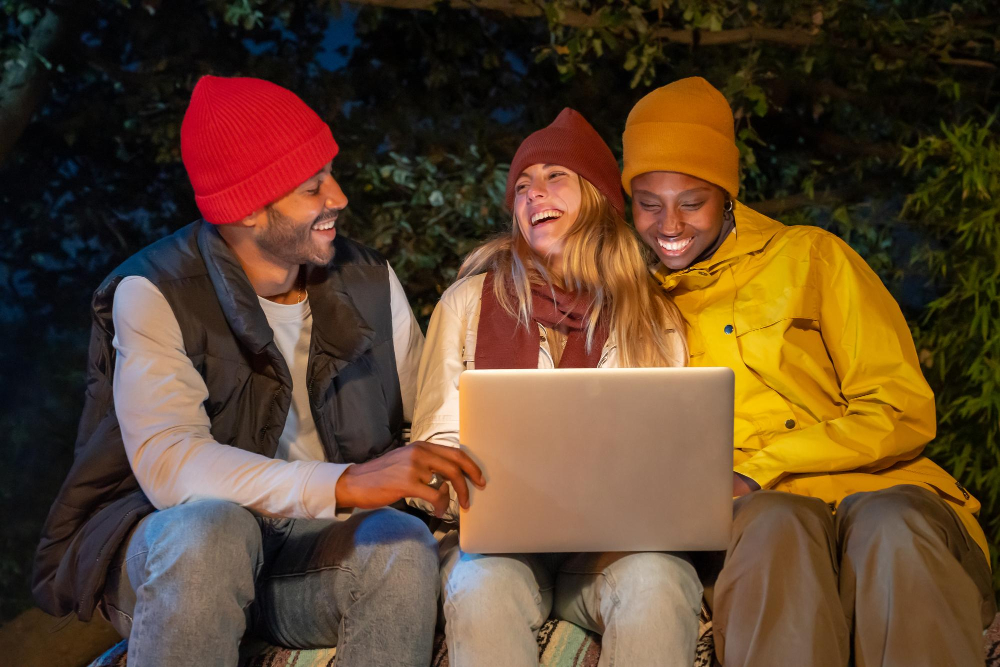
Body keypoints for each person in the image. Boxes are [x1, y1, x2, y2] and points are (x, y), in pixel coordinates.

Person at [31, 75, 484, 667]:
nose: (339, 197)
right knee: (213, 532)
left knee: (399, 546)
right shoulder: (153, 291)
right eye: (312, 187)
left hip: (306, 557)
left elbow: (422, 428)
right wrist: (344, 482)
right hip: (171, 547)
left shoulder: (370, 280)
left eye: (331, 174)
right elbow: (170, 464)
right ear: (247, 209)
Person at [621, 76, 996, 667]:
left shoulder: (812, 257)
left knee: (890, 523)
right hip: (756, 523)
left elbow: (901, 407)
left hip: (884, 496)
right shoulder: (636, 304)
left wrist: (762, 466)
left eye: (692, 202)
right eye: (648, 204)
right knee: (775, 524)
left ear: (726, 193)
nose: (670, 225)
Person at [409, 108, 702, 667]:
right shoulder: (467, 303)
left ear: (596, 196)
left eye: (554, 176)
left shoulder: (651, 313)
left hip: (609, 546)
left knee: (659, 579)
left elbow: (669, 450)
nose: (533, 193)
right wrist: (452, 482)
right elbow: (437, 436)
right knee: (481, 583)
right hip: (500, 544)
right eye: (521, 185)